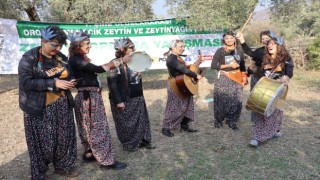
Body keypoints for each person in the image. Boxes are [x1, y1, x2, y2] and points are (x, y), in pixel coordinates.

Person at [18, 26, 78, 179]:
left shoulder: (61, 57)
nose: (57, 49)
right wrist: (53, 83)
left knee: (64, 138)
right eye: (54, 45)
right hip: (39, 107)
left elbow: (69, 73)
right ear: (43, 41)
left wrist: (71, 81)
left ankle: (63, 166)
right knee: (41, 144)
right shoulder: (29, 58)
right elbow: (26, 82)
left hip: (62, 104)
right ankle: (39, 173)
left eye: (60, 45)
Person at [68, 30, 127, 169]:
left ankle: (90, 154)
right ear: (77, 45)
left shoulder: (77, 59)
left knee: (88, 128)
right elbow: (99, 69)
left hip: (88, 98)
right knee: (97, 128)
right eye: (87, 44)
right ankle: (106, 161)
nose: (90, 46)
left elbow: (96, 69)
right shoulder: (76, 60)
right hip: (88, 99)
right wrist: (120, 61)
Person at [107, 37, 155, 152]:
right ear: (122, 50)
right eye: (131, 47)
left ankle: (144, 140)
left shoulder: (135, 60)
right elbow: (112, 85)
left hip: (137, 96)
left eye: (134, 46)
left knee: (141, 120)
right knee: (126, 123)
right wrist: (118, 101)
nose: (134, 49)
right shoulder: (115, 64)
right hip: (124, 99)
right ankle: (129, 144)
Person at [249, 35, 294, 147]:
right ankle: (257, 137)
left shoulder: (286, 58)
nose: (269, 45)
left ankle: (275, 131)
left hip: (280, 89)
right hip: (265, 88)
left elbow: (289, 73)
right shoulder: (264, 57)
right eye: (268, 44)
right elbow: (259, 70)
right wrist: (253, 70)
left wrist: (282, 80)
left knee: (278, 112)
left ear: (279, 46)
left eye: (273, 43)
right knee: (261, 111)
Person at [161, 39, 202, 137]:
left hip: (183, 84)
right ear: (173, 48)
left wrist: (198, 62)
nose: (183, 49)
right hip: (175, 85)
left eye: (184, 46)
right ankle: (166, 128)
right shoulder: (171, 59)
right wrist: (195, 75)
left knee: (187, 106)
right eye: (181, 47)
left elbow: (187, 68)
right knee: (174, 107)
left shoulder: (178, 58)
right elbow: (182, 69)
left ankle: (184, 125)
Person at [211, 31, 247, 130]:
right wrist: (229, 65)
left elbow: (243, 66)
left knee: (237, 100)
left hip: (237, 77)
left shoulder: (239, 51)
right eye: (227, 38)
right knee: (221, 100)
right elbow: (213, 65)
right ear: (224, 40)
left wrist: (244, 78)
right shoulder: (220, 51)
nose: (229, 40)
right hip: (224, 77)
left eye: (231, 38)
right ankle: (218, 121)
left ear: (235, 39)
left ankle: (232, 121)